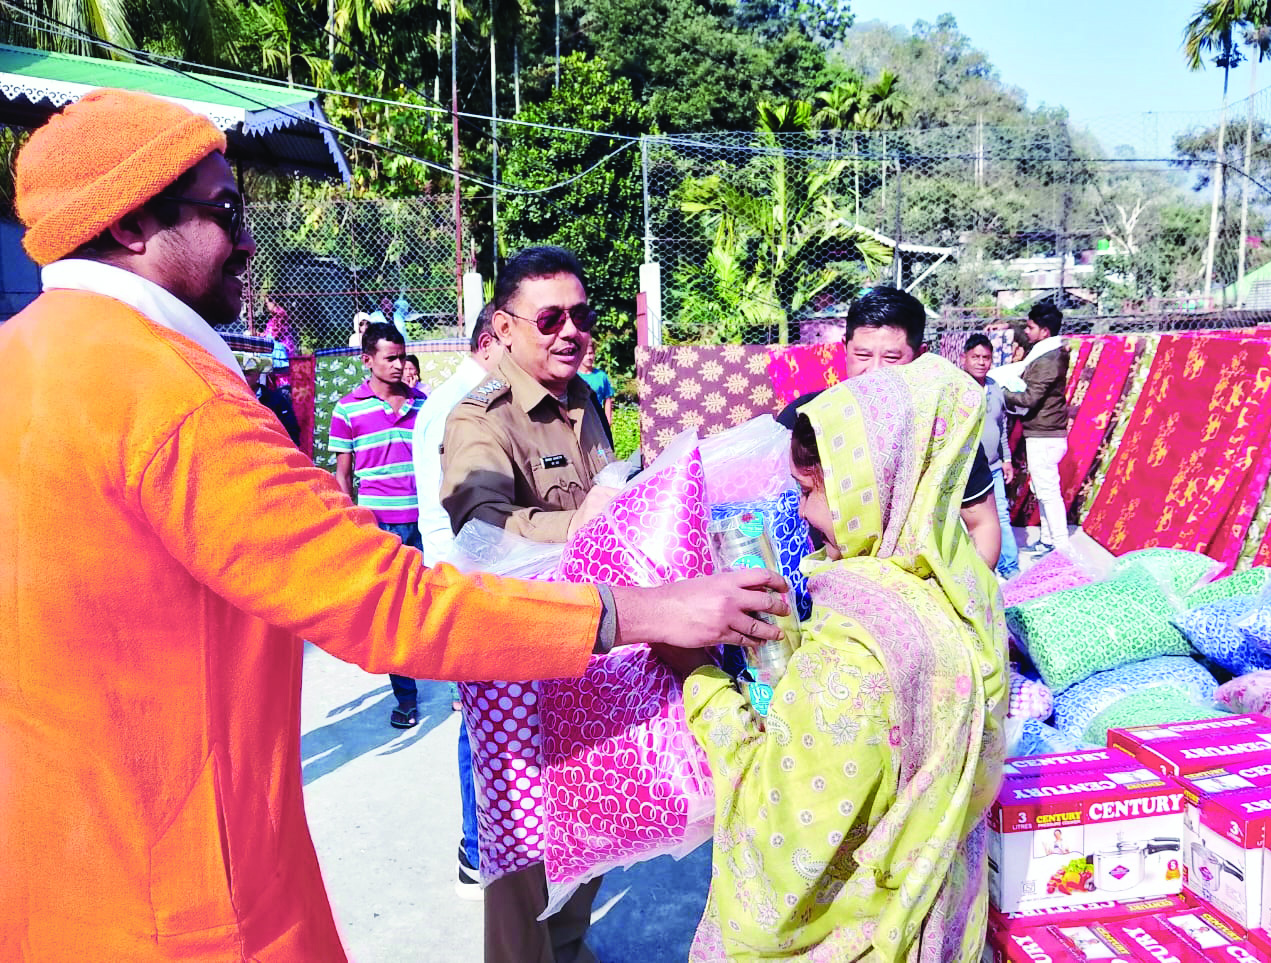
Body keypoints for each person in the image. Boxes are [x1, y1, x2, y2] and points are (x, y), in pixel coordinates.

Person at [0, 89, 792, 961]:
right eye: (226, 210)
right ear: (127, 226)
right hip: (178, 897)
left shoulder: (25, 359)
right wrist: (649, 611)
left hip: (54, 875)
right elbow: (389, 603)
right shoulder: (170, 394)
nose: (250, 239)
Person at [666, 354, 1007, 962]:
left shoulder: (856, 654)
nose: (800, 512)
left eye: (808, 491)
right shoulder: (963, 594)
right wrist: (790, 647)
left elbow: (779, 840)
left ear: (866, 487)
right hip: (940, 924)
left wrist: (696, 675)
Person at [440, 246, 615, 963]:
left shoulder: (586, 401)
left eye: (581, 315)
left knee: (591, 825)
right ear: (505, 328)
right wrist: (589, 522)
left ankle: (570, 950)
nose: (569, 330)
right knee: (523, 858)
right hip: (517, 665)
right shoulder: (481, 418)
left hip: (590, 648)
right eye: (550, 318)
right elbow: (482, 532)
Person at [777, 286, 1002, 570]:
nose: (874, 371)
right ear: (845, 347)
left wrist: (966, 601)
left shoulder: (943, 432)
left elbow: (982, 525)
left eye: (892, 358)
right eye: (862, 355)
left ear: (920, 356)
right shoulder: (805, 419)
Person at [411, 303, 503, 901]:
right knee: (481, 723)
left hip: (467, 572)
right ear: (496, 339)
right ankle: (476, 851)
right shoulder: (462, 405)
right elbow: (468, 516)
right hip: (467, 576)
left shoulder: (461, 398)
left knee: (486, 719)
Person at [329, 321, 428, 729]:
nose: (399, 364)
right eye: (390, 358)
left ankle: (460, 685)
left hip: (424, 522)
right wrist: (349, 526)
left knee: (435, 601)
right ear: (367, 360)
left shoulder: (425, 405)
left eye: (402, 356)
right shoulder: (347, 409)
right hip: (378, 525)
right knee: (392, 611)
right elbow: (342, 475)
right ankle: (406, 697)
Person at [1000, 300, 1070, 556]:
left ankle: (1061, 548)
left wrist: (1002, 392)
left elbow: (1030, 398)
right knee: (1043, 490)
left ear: (1045, 331)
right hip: (1043, 432)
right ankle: (1050, 541)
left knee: (1048, 492)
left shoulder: (1048, 359)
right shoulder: (1046, 355)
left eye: (1030, 327)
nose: (1027, 332)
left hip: (1045, 434)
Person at [962, 333, 1019, 579]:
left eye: (986, 357)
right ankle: (975, 573)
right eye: (975, 357)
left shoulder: (995, 388)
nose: (981, 362)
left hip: (994, 466)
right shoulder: (957, 387)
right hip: (966, 469)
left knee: (1001, 517)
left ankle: (1010, 570)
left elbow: (1001, 426)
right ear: (964, 358)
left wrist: (1006, 459)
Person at [243, 354, 302, 446]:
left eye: (248, 374)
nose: (243, 377)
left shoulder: (276, 400)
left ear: (258, 375)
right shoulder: (228, 397)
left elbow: (291, 429)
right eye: (241, 373)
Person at [577, 337, 614, 425]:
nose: (589, 357)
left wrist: (608, 421)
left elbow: (608, 399)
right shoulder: (574, 376)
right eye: (585, 354)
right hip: (579, 421)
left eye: (591, 353)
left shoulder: (601, 376)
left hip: (597, 421)